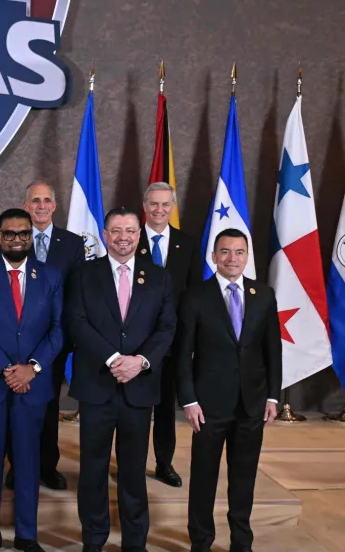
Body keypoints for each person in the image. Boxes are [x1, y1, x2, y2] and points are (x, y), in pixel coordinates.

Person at [66, 208, 176, 552]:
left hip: (138, 390)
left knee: (133, 472)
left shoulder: (158, 277)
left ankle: (134, 543)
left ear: (139, 234)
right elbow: (77, 322)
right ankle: (94, 540)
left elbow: (167, 327)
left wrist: (139, 362)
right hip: (97, 387)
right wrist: (115, 359)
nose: (123, 237)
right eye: (116, 231)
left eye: (130, 230)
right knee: (93, 469)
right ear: (105, 233)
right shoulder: (84, 274)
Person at [0, 209, 63, 552]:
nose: (16, 239)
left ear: (31, 236)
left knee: (28, 461)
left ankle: (27, 535)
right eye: (9, 233)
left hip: (32, 385)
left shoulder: (50, 276)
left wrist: (32, 367)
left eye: (23, 233)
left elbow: (58, 329)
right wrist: (7, 368)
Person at [175, 229, 281, 552]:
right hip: (208, 405)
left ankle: (241, 542)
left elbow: (272, 351)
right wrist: (189, 400)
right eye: (225, 252)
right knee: (204, 478)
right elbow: (182, 354)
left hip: (251, 404)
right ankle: (201, 541)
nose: (231, 258)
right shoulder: (195, 296)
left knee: (243, 480)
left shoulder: (263, 295)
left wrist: (273, 396)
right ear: (214, 257)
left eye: (238, 252)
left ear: (246, 257)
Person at [16, 180, 85, 491]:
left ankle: (47, 465)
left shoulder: (72, 244)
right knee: (17, 405)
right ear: (27, 206)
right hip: (17, 339)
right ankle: (17, 466)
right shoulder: (14, 239)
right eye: (35, 200)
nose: (41, 206)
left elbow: (76, 294)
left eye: (46, 200)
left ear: (55, 206)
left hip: (54, 342)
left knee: (48, 405)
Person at [136, 182, 201, 488]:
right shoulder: (129, 240)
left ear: (172, 207)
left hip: (172, 342)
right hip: (135, 342)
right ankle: (131, 463)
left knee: (164, 408)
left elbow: (191, 297)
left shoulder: (187, 244)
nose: (159, 210)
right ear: (144, 206)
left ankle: (164, 463)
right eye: (153, 204)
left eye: (165, 205)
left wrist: (188, 340)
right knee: (135, 408)